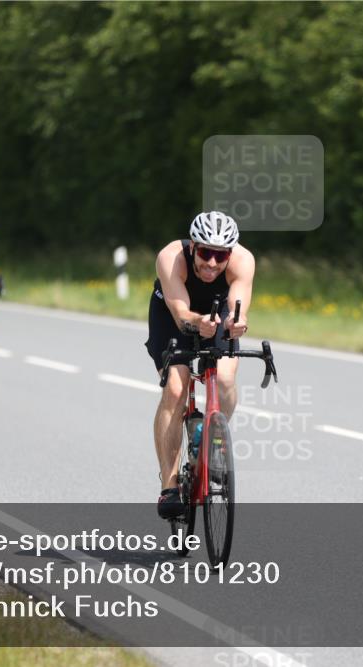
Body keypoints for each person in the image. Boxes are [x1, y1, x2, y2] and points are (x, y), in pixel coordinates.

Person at [145, 211, 254, 519]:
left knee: (224, 378)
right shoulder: (171, 257)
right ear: (193, 246)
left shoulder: (243, 261)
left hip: (217, 310)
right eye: (205, 252)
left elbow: (239, 304)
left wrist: (237, 321)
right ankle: (169, 484)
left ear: (230, 254)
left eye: (220, 256)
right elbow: (180, 313)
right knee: (176, 389)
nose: (212, 263)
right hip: (173, 314)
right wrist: (197, 322)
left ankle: (214, 439)